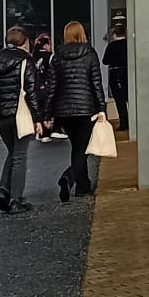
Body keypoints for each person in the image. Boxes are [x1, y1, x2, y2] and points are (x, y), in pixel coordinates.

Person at [46, 20, 108, 202]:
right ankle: (70, 178)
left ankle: (82, 184)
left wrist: (47, 114)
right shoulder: (89, 53)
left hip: (64, 112)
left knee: (77, 147)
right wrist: (102, 108)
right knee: (84, 148)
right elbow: (96, 83)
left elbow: (52, 87)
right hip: (85, 108)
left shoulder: (57, 56)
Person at [0, 26, 41, 213]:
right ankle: (15, 200)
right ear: (25, 41)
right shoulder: (25, 60)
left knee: (12, 152)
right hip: (20, 113)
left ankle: (4, 189)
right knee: (20, 156)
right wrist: (38, 118)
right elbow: (31, 91)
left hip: (0, 115)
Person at [101, 27, 129, 133]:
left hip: (116, 74)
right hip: (128, 72)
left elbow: (105, 61)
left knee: (120, 101)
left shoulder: (112, 46)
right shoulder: (129, 44)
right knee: (130, 98)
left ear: (114, 35)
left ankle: (124, 122)